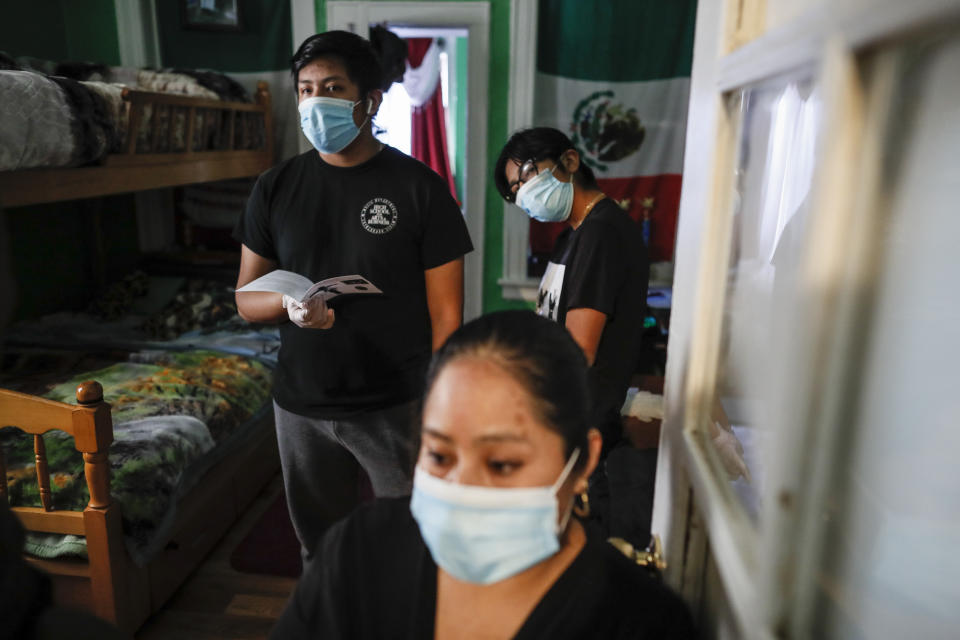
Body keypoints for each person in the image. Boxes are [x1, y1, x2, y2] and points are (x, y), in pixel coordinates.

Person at [271, 310, 694, 639]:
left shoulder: (643, 623)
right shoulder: (359, 553)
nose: (461, 488)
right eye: (439, 455)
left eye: (502, 465)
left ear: (582, 463)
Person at [233, 30, 473, 561]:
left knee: (411, 543)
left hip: (395, 401)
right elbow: (247, 297)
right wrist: (290, 307)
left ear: (370, 100)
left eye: (333, 87)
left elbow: (446, 313)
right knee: (320, 550)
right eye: (305, 88)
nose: (316, 100)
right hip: (301, 404)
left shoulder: (421, 188)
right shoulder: (274, 188)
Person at [494, 128, 651, 544]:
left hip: (585, 418)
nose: (523, 193)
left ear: (570, 161)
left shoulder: (602, 232)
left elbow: (579, 347)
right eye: (514, 189)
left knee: (584, 540)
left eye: (526, 176)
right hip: (563, 411)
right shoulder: (573, 235)